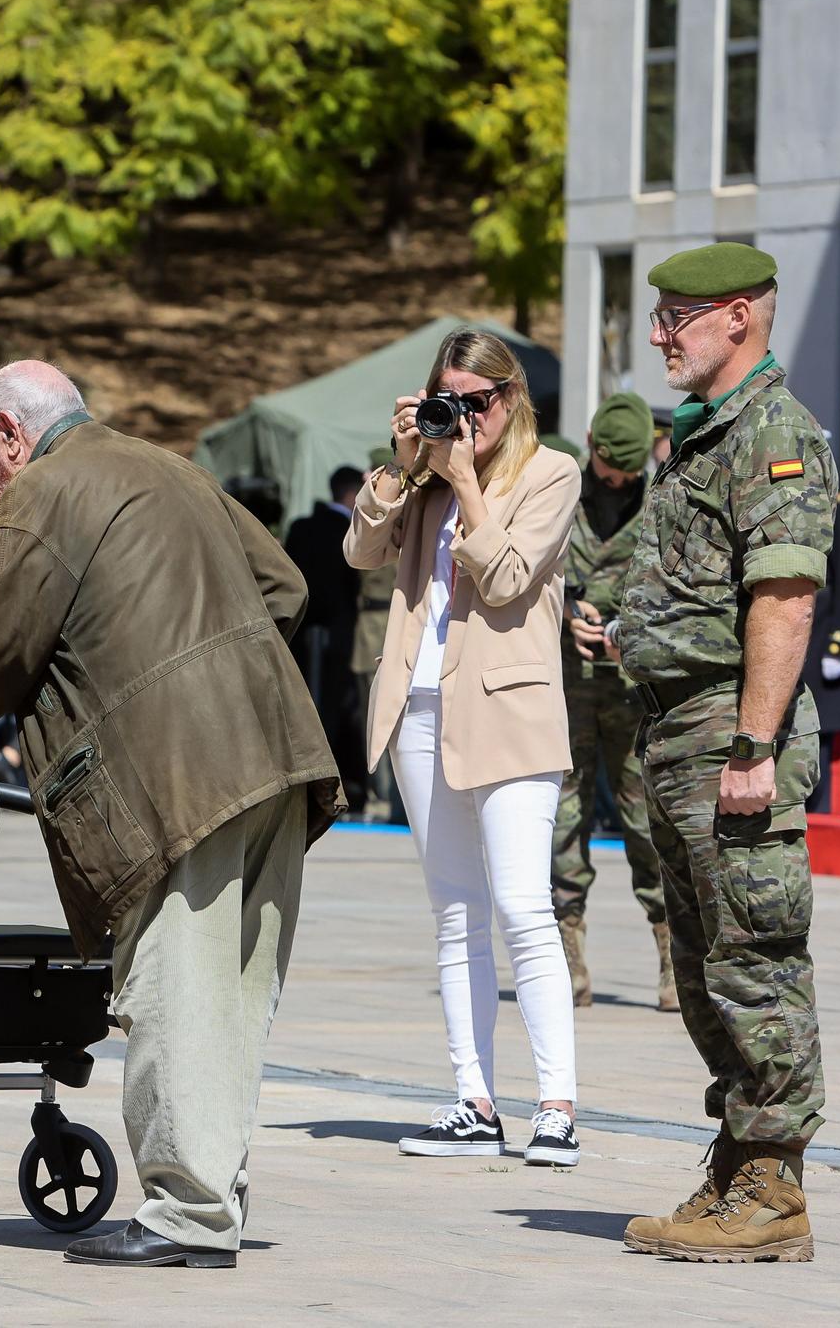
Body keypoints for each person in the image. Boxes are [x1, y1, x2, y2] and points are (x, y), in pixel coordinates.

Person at [0, 361, 341, 1270]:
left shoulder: (44, 489)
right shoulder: (172, 466)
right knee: (233, 995)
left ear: (9, 430)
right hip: (277, 749)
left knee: (177, 990)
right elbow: (283, 585)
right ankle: (214, 1191)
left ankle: (187, 1213)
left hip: (177, 772)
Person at [611, 243, 829, 1263]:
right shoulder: (698, 438)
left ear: (736, 316)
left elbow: (782, 599)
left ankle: (772, 1187)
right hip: (673, 727)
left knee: (753, 960)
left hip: (726, 737)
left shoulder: (773, 435)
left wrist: (749, 745)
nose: (657, 336)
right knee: (703, 966)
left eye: (674, 317)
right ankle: (738, 1167)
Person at [347, 329, 584, 1168]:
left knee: (524, 907)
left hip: (511, 712)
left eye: (478, 402)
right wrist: (403, 462)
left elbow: (510, 575)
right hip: (418, 702)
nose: (466, 417)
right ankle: (472, 1100)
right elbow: (361, 551)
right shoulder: (425, 477)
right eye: (450, 398)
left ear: (510, 398)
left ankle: (555, 1105)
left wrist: (465, 484)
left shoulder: (550, 472)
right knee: (455, 912)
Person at [552, 391, 671, 1012]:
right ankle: (567, 956)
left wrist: (627, 623)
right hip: (566, 691)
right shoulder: (559, 493)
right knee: (563, 822)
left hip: (632, 692)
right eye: (607, 468)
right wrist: (566, 613)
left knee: (646, 823)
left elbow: (680, 587)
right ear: (593, 448)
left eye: (627, 472)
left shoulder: (663, 502)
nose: (616, 481)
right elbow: (524, 575)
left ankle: (671, 957)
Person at [284, 466, 367, 802]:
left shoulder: (301, 527)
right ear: (350, 495)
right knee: (338, 709)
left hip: (304, 632)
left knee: (304, 709)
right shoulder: (349, 529)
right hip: (342, 633)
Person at [803, 486, 840, 813]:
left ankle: (825, 812)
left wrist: (839, 644)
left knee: (823, 733)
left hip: (825, 635)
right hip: (803, 634)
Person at [350, 452, 403, 823]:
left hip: (382, 622)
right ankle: (388, 799)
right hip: (377, 622)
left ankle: (385, 800)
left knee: (381, 720)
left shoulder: (391, 513)